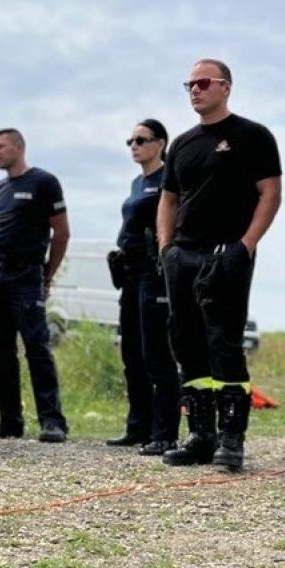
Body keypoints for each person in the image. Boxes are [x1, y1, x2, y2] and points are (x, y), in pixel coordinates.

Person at [157, 59, 282, 470]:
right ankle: (201, 436)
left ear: (225, 87)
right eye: (189, 83)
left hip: (226, 254)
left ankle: (232, 439)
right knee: (187, 345)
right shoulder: (182, 143)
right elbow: (169, 200)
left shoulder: (252, 136)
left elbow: (270, 193)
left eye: (203, 82)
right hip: (183, 257)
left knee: (224, 345)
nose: (195, 89)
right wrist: (166, 249)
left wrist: (245, 246)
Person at [0, 128, 70, 442]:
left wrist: (47, 274)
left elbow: (62, 233)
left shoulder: (44, 182)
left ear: (18, 147)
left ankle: (52, 421)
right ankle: (9, 420)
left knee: (36, 347)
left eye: (1, 147)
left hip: (26, 275)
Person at [107, 119, 180, 454]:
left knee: (157, 354)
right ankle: (138, 426)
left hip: (155, 272)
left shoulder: (169, 178)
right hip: (131, 273)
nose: (134, 146)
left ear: (160, 144)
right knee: (131, 353)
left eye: (141, 139)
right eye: (130, 141)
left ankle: (165, 432)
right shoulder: (138, 182)